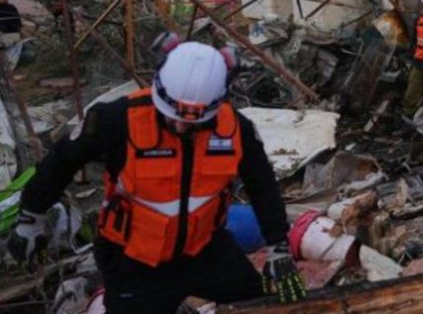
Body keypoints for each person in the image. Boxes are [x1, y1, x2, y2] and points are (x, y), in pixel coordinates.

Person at [6, 42, 305, 313]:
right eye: (171, 114)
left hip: (206, 250)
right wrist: (31, 218)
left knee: (256, 305)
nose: (179, 126)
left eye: (191, 121)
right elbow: (60, 162)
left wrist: (278, 245)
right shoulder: (116, 120)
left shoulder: (235, 129)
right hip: (134, 260)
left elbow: (262, 186)